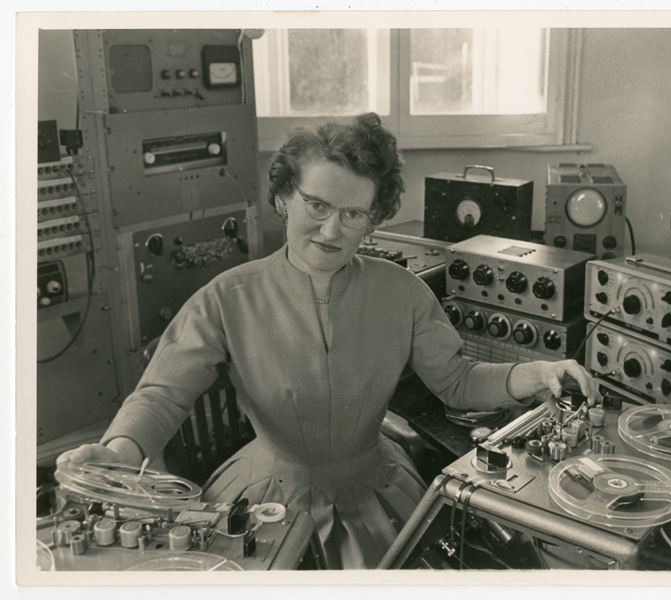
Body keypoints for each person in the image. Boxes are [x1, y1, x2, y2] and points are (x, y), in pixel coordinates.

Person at [58, 112, 598, 569]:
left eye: (353, 214)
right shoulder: (226, 297)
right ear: (283, 197)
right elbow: (163, 395)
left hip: (380, 489)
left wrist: (538, 374)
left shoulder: (404, 293)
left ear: (374, 220)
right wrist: (117, 453)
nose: (331, 230)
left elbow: (456, 382)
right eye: (316, 205)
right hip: (266, 495)